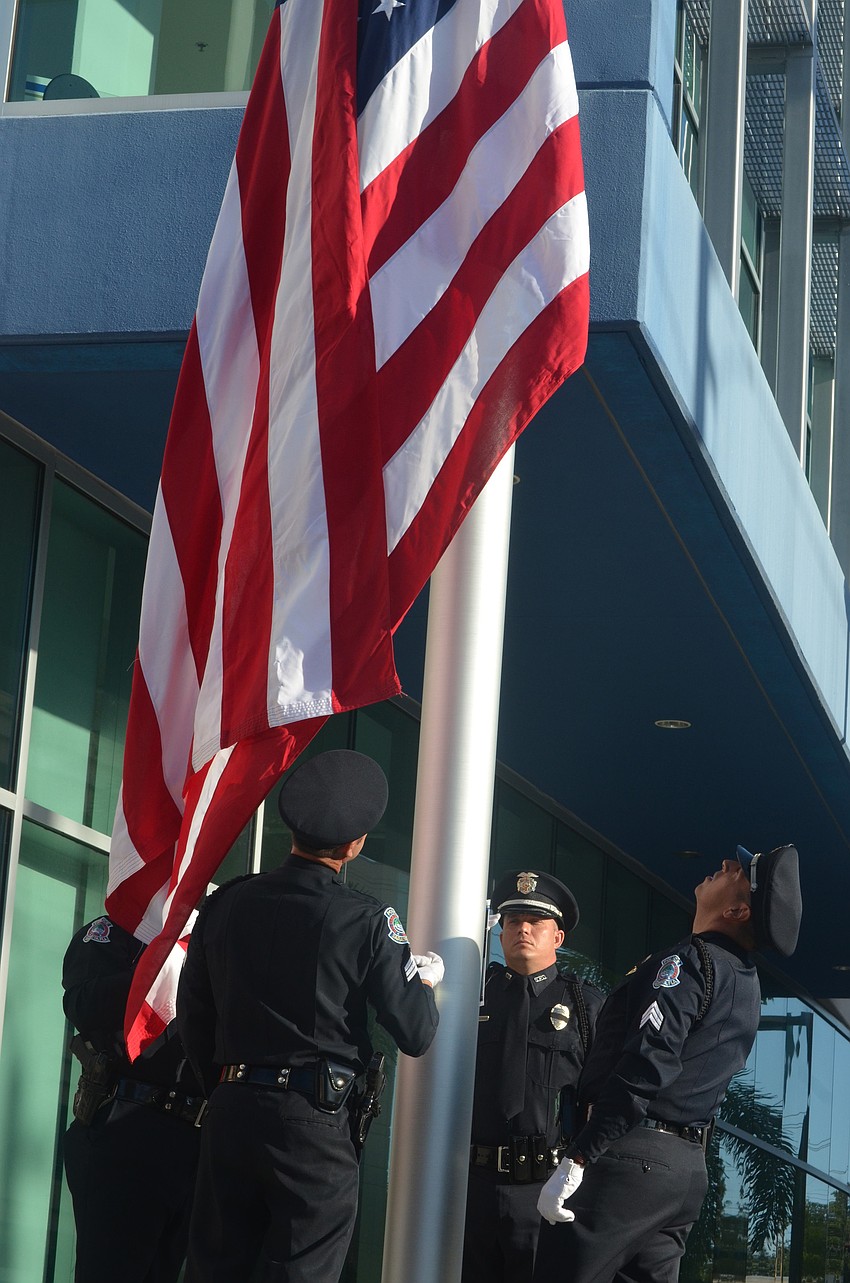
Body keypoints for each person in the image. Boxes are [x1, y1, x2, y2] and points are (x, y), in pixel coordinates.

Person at [176, 748, 443, 1283]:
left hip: (231, 1108)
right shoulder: (367, 919)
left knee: (215, 1269)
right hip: (312, 1122)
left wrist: (226, 1088)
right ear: (355, 845)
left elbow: (194, 1015)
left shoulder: (227, 902)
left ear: (291, 830)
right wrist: (424, 981)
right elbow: (415, 1032)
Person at [533, 843, 803, 1283]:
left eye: (738, 873)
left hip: (627, 1159)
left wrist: (580, 1156)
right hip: (683, 1169)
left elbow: (647, 1065)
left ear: (737, 911)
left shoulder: (688, 963)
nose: (725, 864)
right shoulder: (745, 982)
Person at [463, 869, 605, 1283]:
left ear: (557, 938)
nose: (521, 929)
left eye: (535, 922)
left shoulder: (586, 1005)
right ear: (500, 933)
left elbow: (602, 1098)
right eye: (512, 922)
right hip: (473, 1186)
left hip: (545, 1188)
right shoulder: (474, 993)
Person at [62, 913, 204, 1283]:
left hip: (192, 1140)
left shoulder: (203, 939)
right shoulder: (114, 930)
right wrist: (163, 971)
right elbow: (83, 1004)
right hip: (125, 1129)